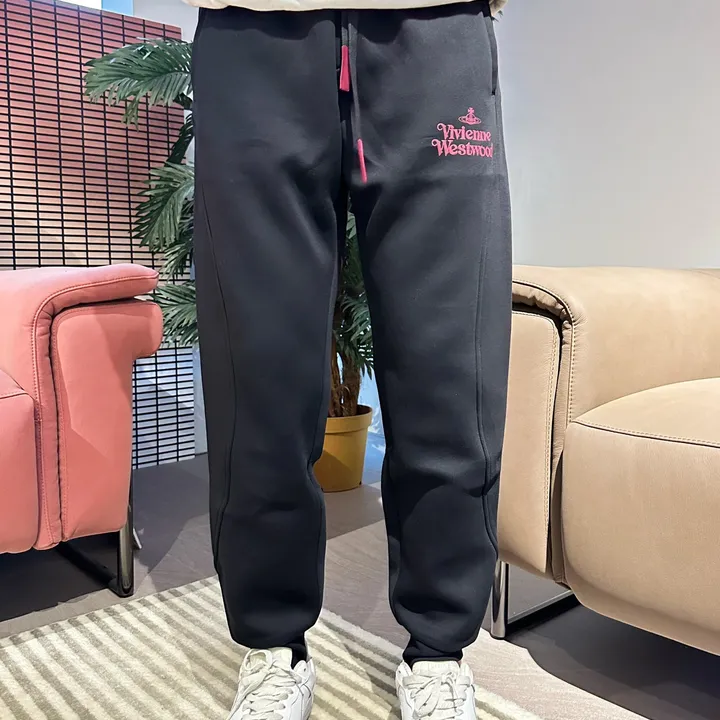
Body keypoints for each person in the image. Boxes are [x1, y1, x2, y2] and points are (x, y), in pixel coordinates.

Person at [190, 0, 511, 715]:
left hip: (434, 28)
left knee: (448, 366)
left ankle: (438, 653)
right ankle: (274, 647)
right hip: (250, 32)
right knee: (259, 371)